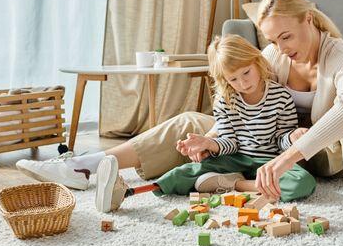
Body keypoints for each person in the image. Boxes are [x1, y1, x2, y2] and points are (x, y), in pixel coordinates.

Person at [16, 0, 343, 246]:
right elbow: (235, 96)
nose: (280, 47)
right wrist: (209, 140)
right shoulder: (272, 57)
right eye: (272, 39)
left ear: (309, 18)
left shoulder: (339, 56)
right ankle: (87, 166)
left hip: (314, 153)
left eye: (286, 35)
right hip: (263, 148)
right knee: (191, 120)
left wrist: (287, 157)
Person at [93, 34, 314, 213]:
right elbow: (230, 142)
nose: (243, 83)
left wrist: (292, 137)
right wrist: (209, 143)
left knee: (301, 182)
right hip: (235, 159)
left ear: (257, 62)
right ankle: (126, 192)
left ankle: (235, 185)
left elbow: (280, 139)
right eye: (233, 79)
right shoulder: (226, 101)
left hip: (270, 162)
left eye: (246, 73)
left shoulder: (281, 97)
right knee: (186, 171)